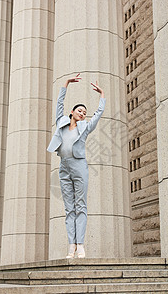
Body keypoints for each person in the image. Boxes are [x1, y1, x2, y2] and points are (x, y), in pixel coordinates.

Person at [47, 73, 106, 258]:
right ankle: (71, 245)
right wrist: (65, 84)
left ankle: (80, 244)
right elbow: (59, 105)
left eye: (84, 112)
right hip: (64, 167)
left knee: (81, 205)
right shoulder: (61, 123)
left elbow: (98, 114)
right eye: (80, 110)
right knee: (69, 208)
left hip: (79, 166)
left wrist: (102, 95)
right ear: (72, 112)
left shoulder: (85, 127)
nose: (82, 113)